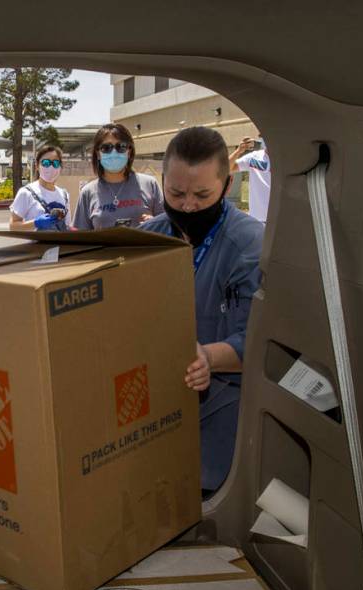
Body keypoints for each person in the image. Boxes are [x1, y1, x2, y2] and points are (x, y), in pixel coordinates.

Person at [140, 126, 264, 495]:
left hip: (222, 407)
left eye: (202, 194)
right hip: (154, 406)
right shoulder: (147, 241)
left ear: (226, 188)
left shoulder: (248, 246)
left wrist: (207, 357)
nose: (188, 206)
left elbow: (257, 341)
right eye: (176, 193)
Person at [71, 123, 166, 230]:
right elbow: (80, 237)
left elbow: (167, 226)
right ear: (98, 154)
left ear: (129, 152)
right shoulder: (87, 192)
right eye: (106, 148)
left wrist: (154, 223)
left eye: (121, 147)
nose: (114, 152)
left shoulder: (150, 184)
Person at [9, 145, 72, 231]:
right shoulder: (26, 193)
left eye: (55, 163)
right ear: (37, 166)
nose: (51, 167)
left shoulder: (64, 195)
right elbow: (13, 227)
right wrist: (35, 223)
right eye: (46, 163)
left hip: (61, 244)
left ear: (60, 167)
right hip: (36, 244)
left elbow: (67, 226)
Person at [229, 135, 271, 223]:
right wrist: (238, 151)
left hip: (280, 219)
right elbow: (227, 168)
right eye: (261, 135)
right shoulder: (253, 158)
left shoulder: (285, 160)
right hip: (257, 221)